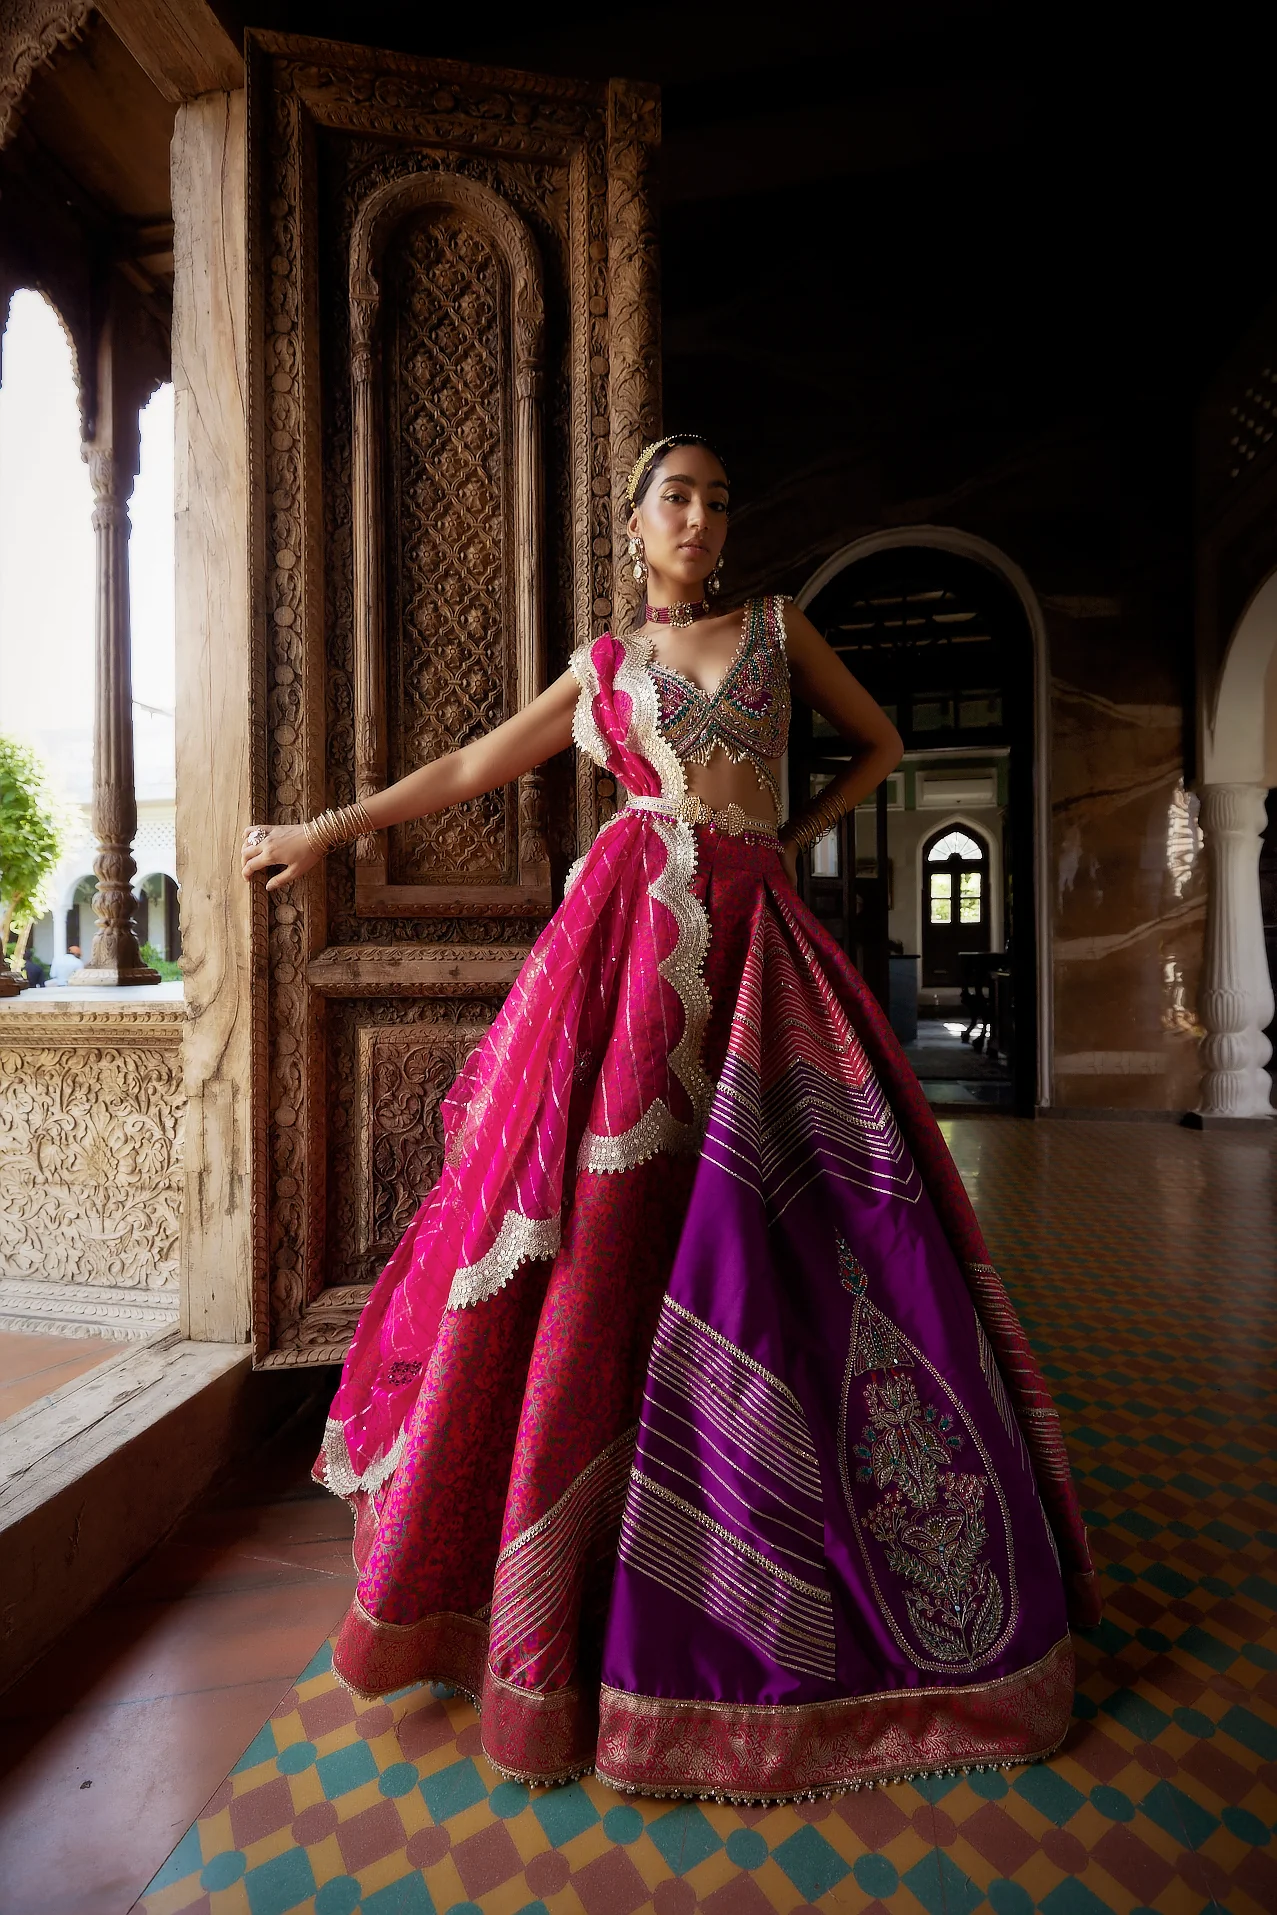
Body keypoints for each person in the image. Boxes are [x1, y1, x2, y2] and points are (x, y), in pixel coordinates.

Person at [243, 435, 1098, 1801]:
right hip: (631, 950)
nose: (700, 516)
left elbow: (878, 744)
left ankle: (823, 1580)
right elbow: (473, 766)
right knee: (608, 1244)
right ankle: (572, 1604)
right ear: (634, 526)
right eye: (676, 498)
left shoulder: (777, 626)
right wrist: (326, 828)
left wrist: (788, 837)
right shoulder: (601, 667)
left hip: (763, 938)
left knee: (818, 1234)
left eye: (716, 498)